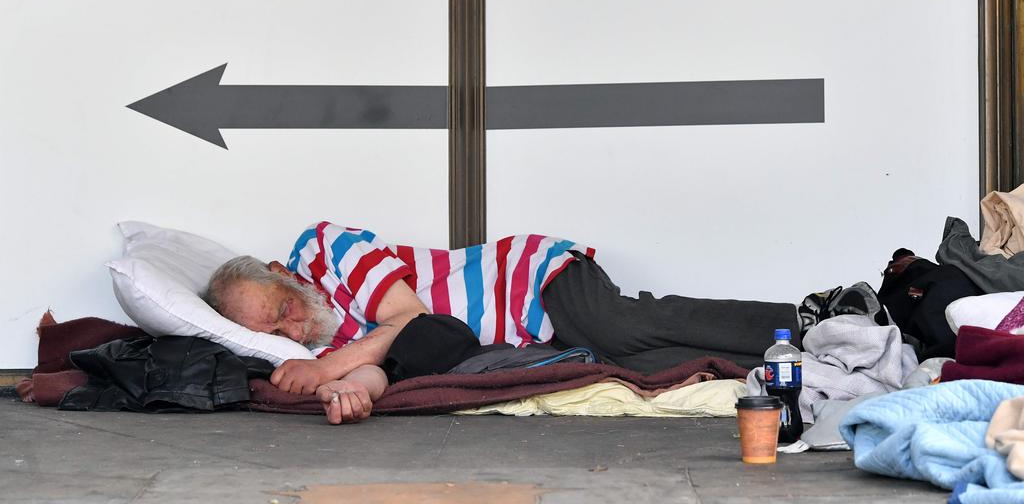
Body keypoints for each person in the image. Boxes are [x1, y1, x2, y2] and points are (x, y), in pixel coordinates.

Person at [204, 221, 801, 421]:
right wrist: (347, 391)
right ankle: (803, 364)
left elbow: (412, 321)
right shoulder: (335, 342)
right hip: (530, 338)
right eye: (275, 335)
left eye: (283, 311)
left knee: (622, 326)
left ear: (280, 271)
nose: (294, 331)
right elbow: (386, 371)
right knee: (644, 365)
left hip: (531, 276)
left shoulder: (321, 247)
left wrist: (331, 365)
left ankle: (808, 318)